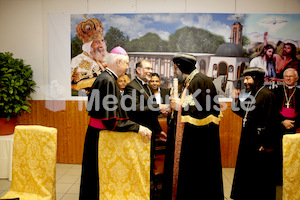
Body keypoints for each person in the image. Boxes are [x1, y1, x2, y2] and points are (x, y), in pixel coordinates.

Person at [79, 46, 152, 200]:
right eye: (126, 64)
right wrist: (137, 127)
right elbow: (111, 121)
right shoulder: (108, 80)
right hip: (100, 137)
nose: (126, 68)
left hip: (96, 135)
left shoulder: (106, 78)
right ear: (119, 62)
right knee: (96, 177)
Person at [163, 54, 224, 200]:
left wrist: (180, 106)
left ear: (181, 67)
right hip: (189, 140)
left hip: (198, 143)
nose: (173, 71)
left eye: (175, 68)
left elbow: (202, 112)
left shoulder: (201, 81)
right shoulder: (190, 82)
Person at [123, 59, 170, 198]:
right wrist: (159, 107)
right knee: (138, 165)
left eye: (151, 69)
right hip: (137, 133)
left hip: (148, 133)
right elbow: (134, 109)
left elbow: (151, 113)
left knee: (148, 164)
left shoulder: (148, 87)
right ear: (138, 70)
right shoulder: (132, 86)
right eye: (147, 68)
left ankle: (146, 191)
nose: (150, 71)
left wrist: (158, 130)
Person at [230, 67, 279, 200]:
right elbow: (241, 112)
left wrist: (265, 143)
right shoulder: (253, 94)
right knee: (248, 174)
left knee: (260, 177)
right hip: (248, 139)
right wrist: (235, 99)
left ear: (256, 79)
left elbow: (272, 122)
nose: (245, 82)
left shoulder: (268, 95)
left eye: (248, 78)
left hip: (259, 142)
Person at [272, 68, 300, 186]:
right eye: (286, 76)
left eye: (291, 76)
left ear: (296, 78)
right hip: (279, 127)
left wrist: (293, 123)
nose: (288, 78)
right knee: (278, 154)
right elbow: (272, 110)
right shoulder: (276, 91)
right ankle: (278, 179)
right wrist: (283, 121)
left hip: (295, 128)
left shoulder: (299, 93)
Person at [71, 16, 109, 92]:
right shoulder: (77, 62)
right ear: (88, 46)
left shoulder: (105, 58)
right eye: (96, 43)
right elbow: (76, 86)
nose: (101, 45)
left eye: (102, 41)